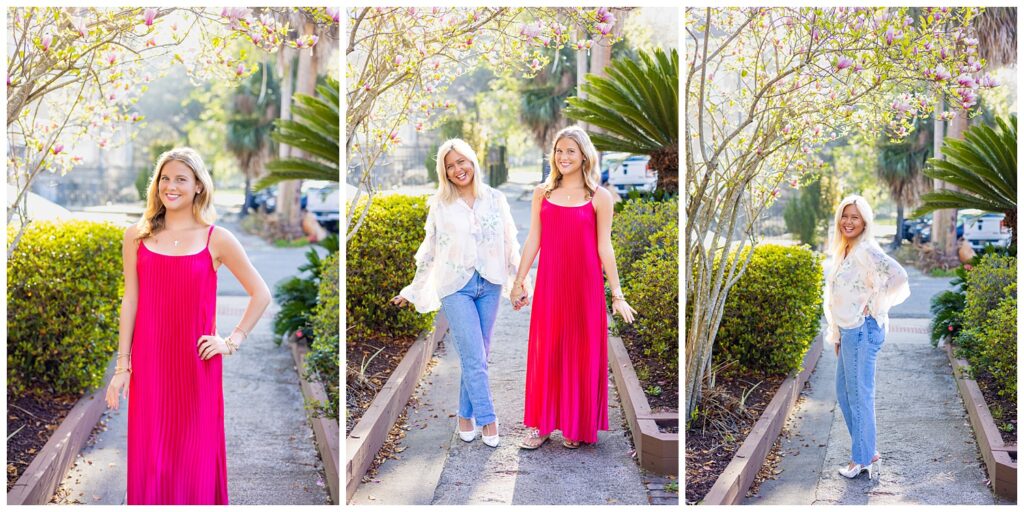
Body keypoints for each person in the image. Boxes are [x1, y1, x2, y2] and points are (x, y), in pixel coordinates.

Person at [105, 147, 271, 504]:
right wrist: (123, 366)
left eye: (181, 178)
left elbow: (260, 293)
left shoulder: (217, 239)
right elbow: (130, 300)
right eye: (165, 178)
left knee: (195, 458)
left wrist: (232, 340)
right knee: (153, 461)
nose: (171, 186)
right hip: (150, 367)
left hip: (197, 366)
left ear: (198, 185)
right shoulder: (136, 235)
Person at [392, 139, 523, 449]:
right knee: (475, 356)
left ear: (472, 162)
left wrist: (518, 280)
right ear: (444, 172)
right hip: (455, 286)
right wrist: (412, 290)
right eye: (450, 166)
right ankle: (488, 419)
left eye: (461, 162)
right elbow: (430, 250)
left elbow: (509, 241)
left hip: (489, 281)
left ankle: (465, 416)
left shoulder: (495, 198)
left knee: (478, 355)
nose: (457, 169)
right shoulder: (440, 204)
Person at [513, 126, 637, 450]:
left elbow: (604, 247)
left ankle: (574, 424)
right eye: (559, 150)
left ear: (584, 154)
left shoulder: (600, 197)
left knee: (581, 352)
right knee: (548, 350)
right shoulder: (543, 193)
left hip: (586, 287)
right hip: (551, 286)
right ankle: (540, 426)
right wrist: (519, 279)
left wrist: (617, 294)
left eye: (570, 150)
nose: (564, 156)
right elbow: (534, 239)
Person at [824, 195, 909, 480]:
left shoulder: (865, 250)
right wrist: (837, 334)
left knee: (859, 396)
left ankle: (862, 459)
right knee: (845, 394)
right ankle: (867, 450)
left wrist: (874, 305)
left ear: (864, 222)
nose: (848, 221)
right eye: (845, 216)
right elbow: (843, 295)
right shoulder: (848, 249)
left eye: (855, 217)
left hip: (862, 330)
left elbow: (898, 275)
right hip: (850, 332)